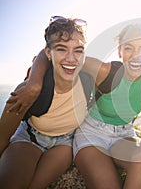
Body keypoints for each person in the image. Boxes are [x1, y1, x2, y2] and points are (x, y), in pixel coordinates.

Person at [6, 23, 141, 188]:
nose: (136, 55)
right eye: (129, 48)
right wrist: (34, 83)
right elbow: (51, 53)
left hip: (122, 134)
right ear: (120, 51)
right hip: (92, 133)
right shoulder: (105, 71)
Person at [0, 16, 91, 188]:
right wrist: (34, 83)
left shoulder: (91, 82)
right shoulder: (29, 91)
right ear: (49, 53)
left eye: (78, 50)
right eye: (62, 49)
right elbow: (2, 137)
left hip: (64, 144)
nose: (71, 58)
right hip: (31, 137)